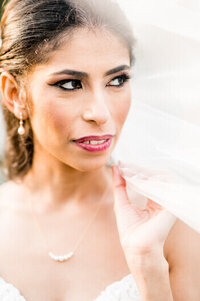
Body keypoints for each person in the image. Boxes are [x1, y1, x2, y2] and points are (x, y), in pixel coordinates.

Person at [0, 0, 199, 300]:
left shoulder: (168, 222)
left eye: (117, 80)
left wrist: (148, 265)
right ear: (15, 95)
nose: (101, 113)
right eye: (70, 84)